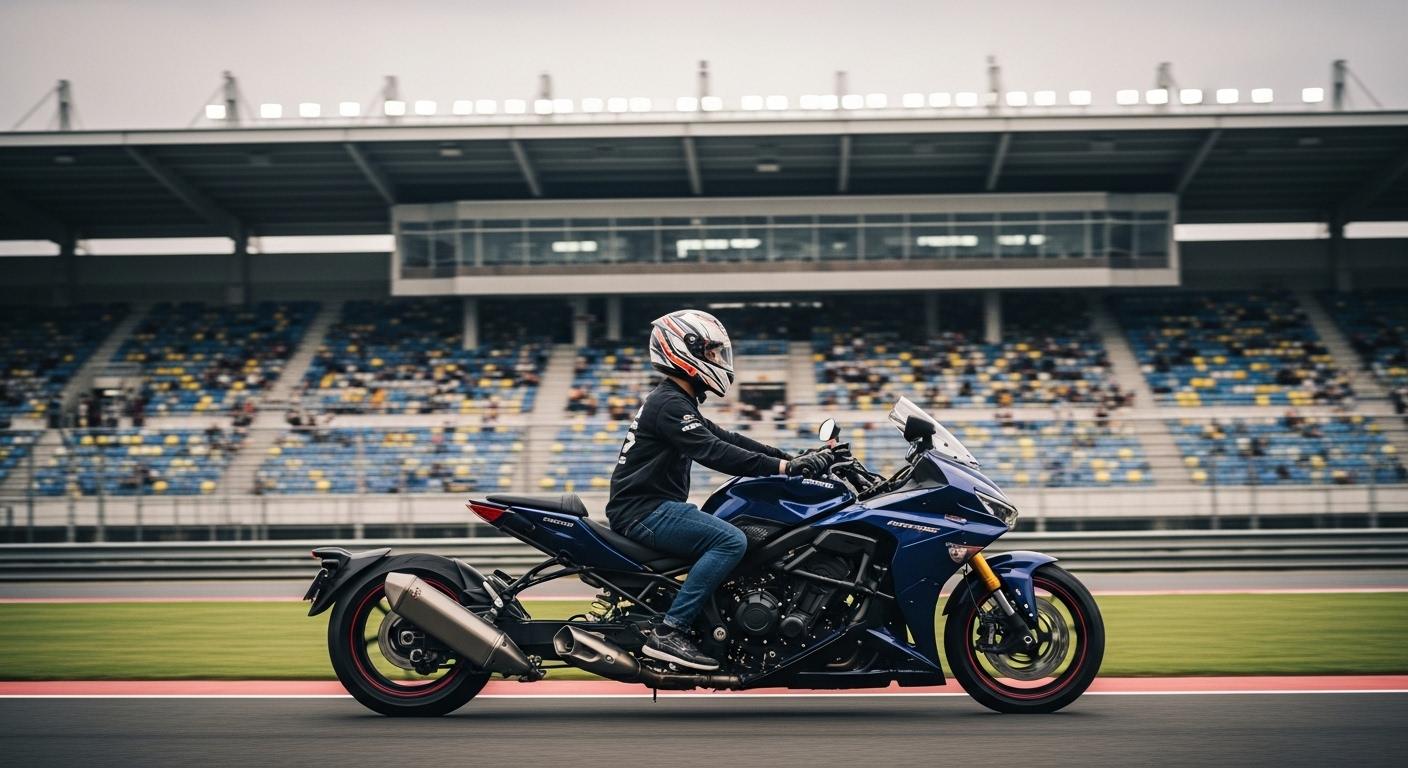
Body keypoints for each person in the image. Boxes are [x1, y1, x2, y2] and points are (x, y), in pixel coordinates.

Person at [605, 310, 832, 671]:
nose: (717, 360)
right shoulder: (669, 404)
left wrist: (791, 458)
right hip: (644, 512)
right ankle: (670, 630)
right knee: (730, 540)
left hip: (651, 508)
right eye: (711, 352)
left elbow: (727, 438)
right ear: (683, 350)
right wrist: (785, 469)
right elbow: (714, 452)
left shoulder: (675, 401)